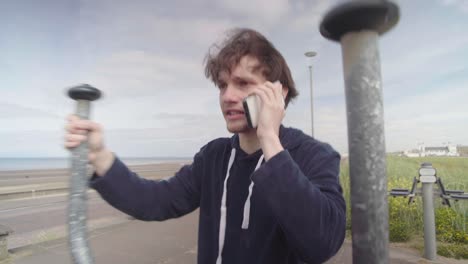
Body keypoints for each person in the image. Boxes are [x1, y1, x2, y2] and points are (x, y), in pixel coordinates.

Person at [64, 28, 345, 264]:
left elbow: (322, 243)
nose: (228, 96)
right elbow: (155, 201)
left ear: (278, 92)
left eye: (243, 83)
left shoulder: (314, 155)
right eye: (222, 86)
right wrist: (100, 157)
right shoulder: (214, 157)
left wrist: (269, 138)